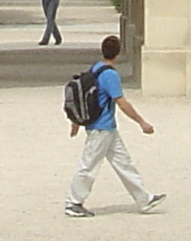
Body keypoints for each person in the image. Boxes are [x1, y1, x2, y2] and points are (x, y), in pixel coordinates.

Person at [63, 34, 163, 217]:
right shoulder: (110, 75)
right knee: (89, 165)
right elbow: (121, 102)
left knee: (124, 163)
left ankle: (143, 198)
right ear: (118, 53)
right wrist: (142, 122)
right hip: (101, 128)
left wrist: (75, 121)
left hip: (106, 128)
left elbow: (84, 94)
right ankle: (73, 202)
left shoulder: (96, 68)